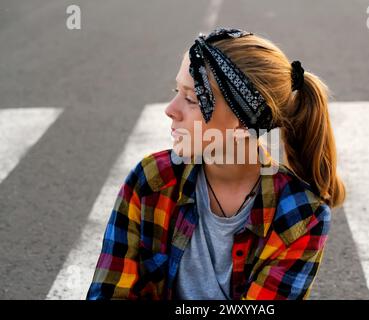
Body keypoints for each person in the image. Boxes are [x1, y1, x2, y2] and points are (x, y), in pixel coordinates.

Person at [86, 27, 346, 300]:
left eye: (191, 99)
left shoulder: (301, 214)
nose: (170, 110)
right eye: (177, 91)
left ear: (242, 121)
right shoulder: (151, 180)